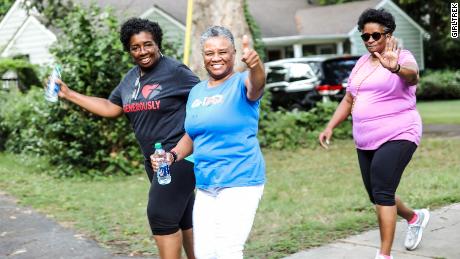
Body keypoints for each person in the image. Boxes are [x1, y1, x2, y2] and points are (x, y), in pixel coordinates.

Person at [55, 18, 199, 259]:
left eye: (148, 44)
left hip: (178, 158)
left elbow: (204, 97)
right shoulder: (131, 78)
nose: (143, 51)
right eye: (136, 47)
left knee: (161, 216)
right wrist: (68, 93)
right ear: (128, 49)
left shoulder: (175, 72)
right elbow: (111, 107)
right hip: (151, 161)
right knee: (183, 217)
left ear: (157, 44)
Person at [318, 8, 430, 259]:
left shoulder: (403, 56)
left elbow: (412, 77)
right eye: (365, 36)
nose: (370, 41)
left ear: (388, 34)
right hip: (365, 138)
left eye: (375, 35)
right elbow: (349, 98)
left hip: (399, 132)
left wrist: (396, 67)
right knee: (377, 195)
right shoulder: (360, 63)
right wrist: (330, 126)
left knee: (382, 192)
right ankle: (415, 217)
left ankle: (384, 255)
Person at [151, 25, 266, 259]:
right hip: (205, 184)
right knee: (204, 253)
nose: (216, 58)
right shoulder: (197, 92)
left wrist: (256, 65)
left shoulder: (242, 83)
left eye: (223, 52)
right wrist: (171, 156)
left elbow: (257, 84)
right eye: (209, 53)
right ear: (203, 56)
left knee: (227, 251)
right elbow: (192, 135)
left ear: (234, 53)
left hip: (239, 180)